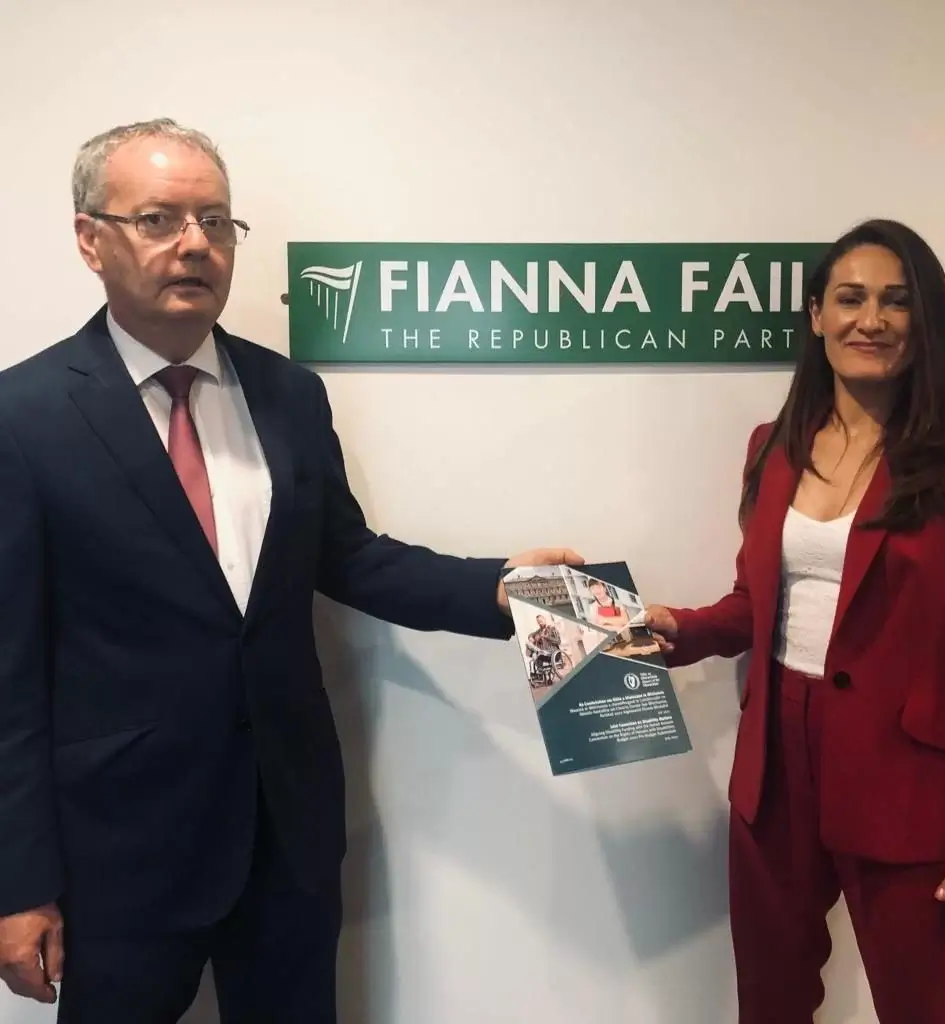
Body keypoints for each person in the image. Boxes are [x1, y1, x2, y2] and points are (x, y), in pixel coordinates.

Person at [0, 118, 581, 1024]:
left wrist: (503, 589)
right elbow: (8, 676)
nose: (194, 244)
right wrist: (19, 883)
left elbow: (347, 555)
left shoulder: (289, 394)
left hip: (289, 834)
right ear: (91, 239)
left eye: (216, 222)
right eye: (159, 220)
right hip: (118, 849)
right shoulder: (22, 418)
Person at [646, 218, 945, 1024]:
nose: (871, 320)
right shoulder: (772, 446)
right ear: (815, 315)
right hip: (775, 764)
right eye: (849, 299)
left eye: (895, 302)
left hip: (911, 780)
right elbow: (760, 602)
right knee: (770, 1006)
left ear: (925, 322)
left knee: (926, 1009)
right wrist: (676, 626)